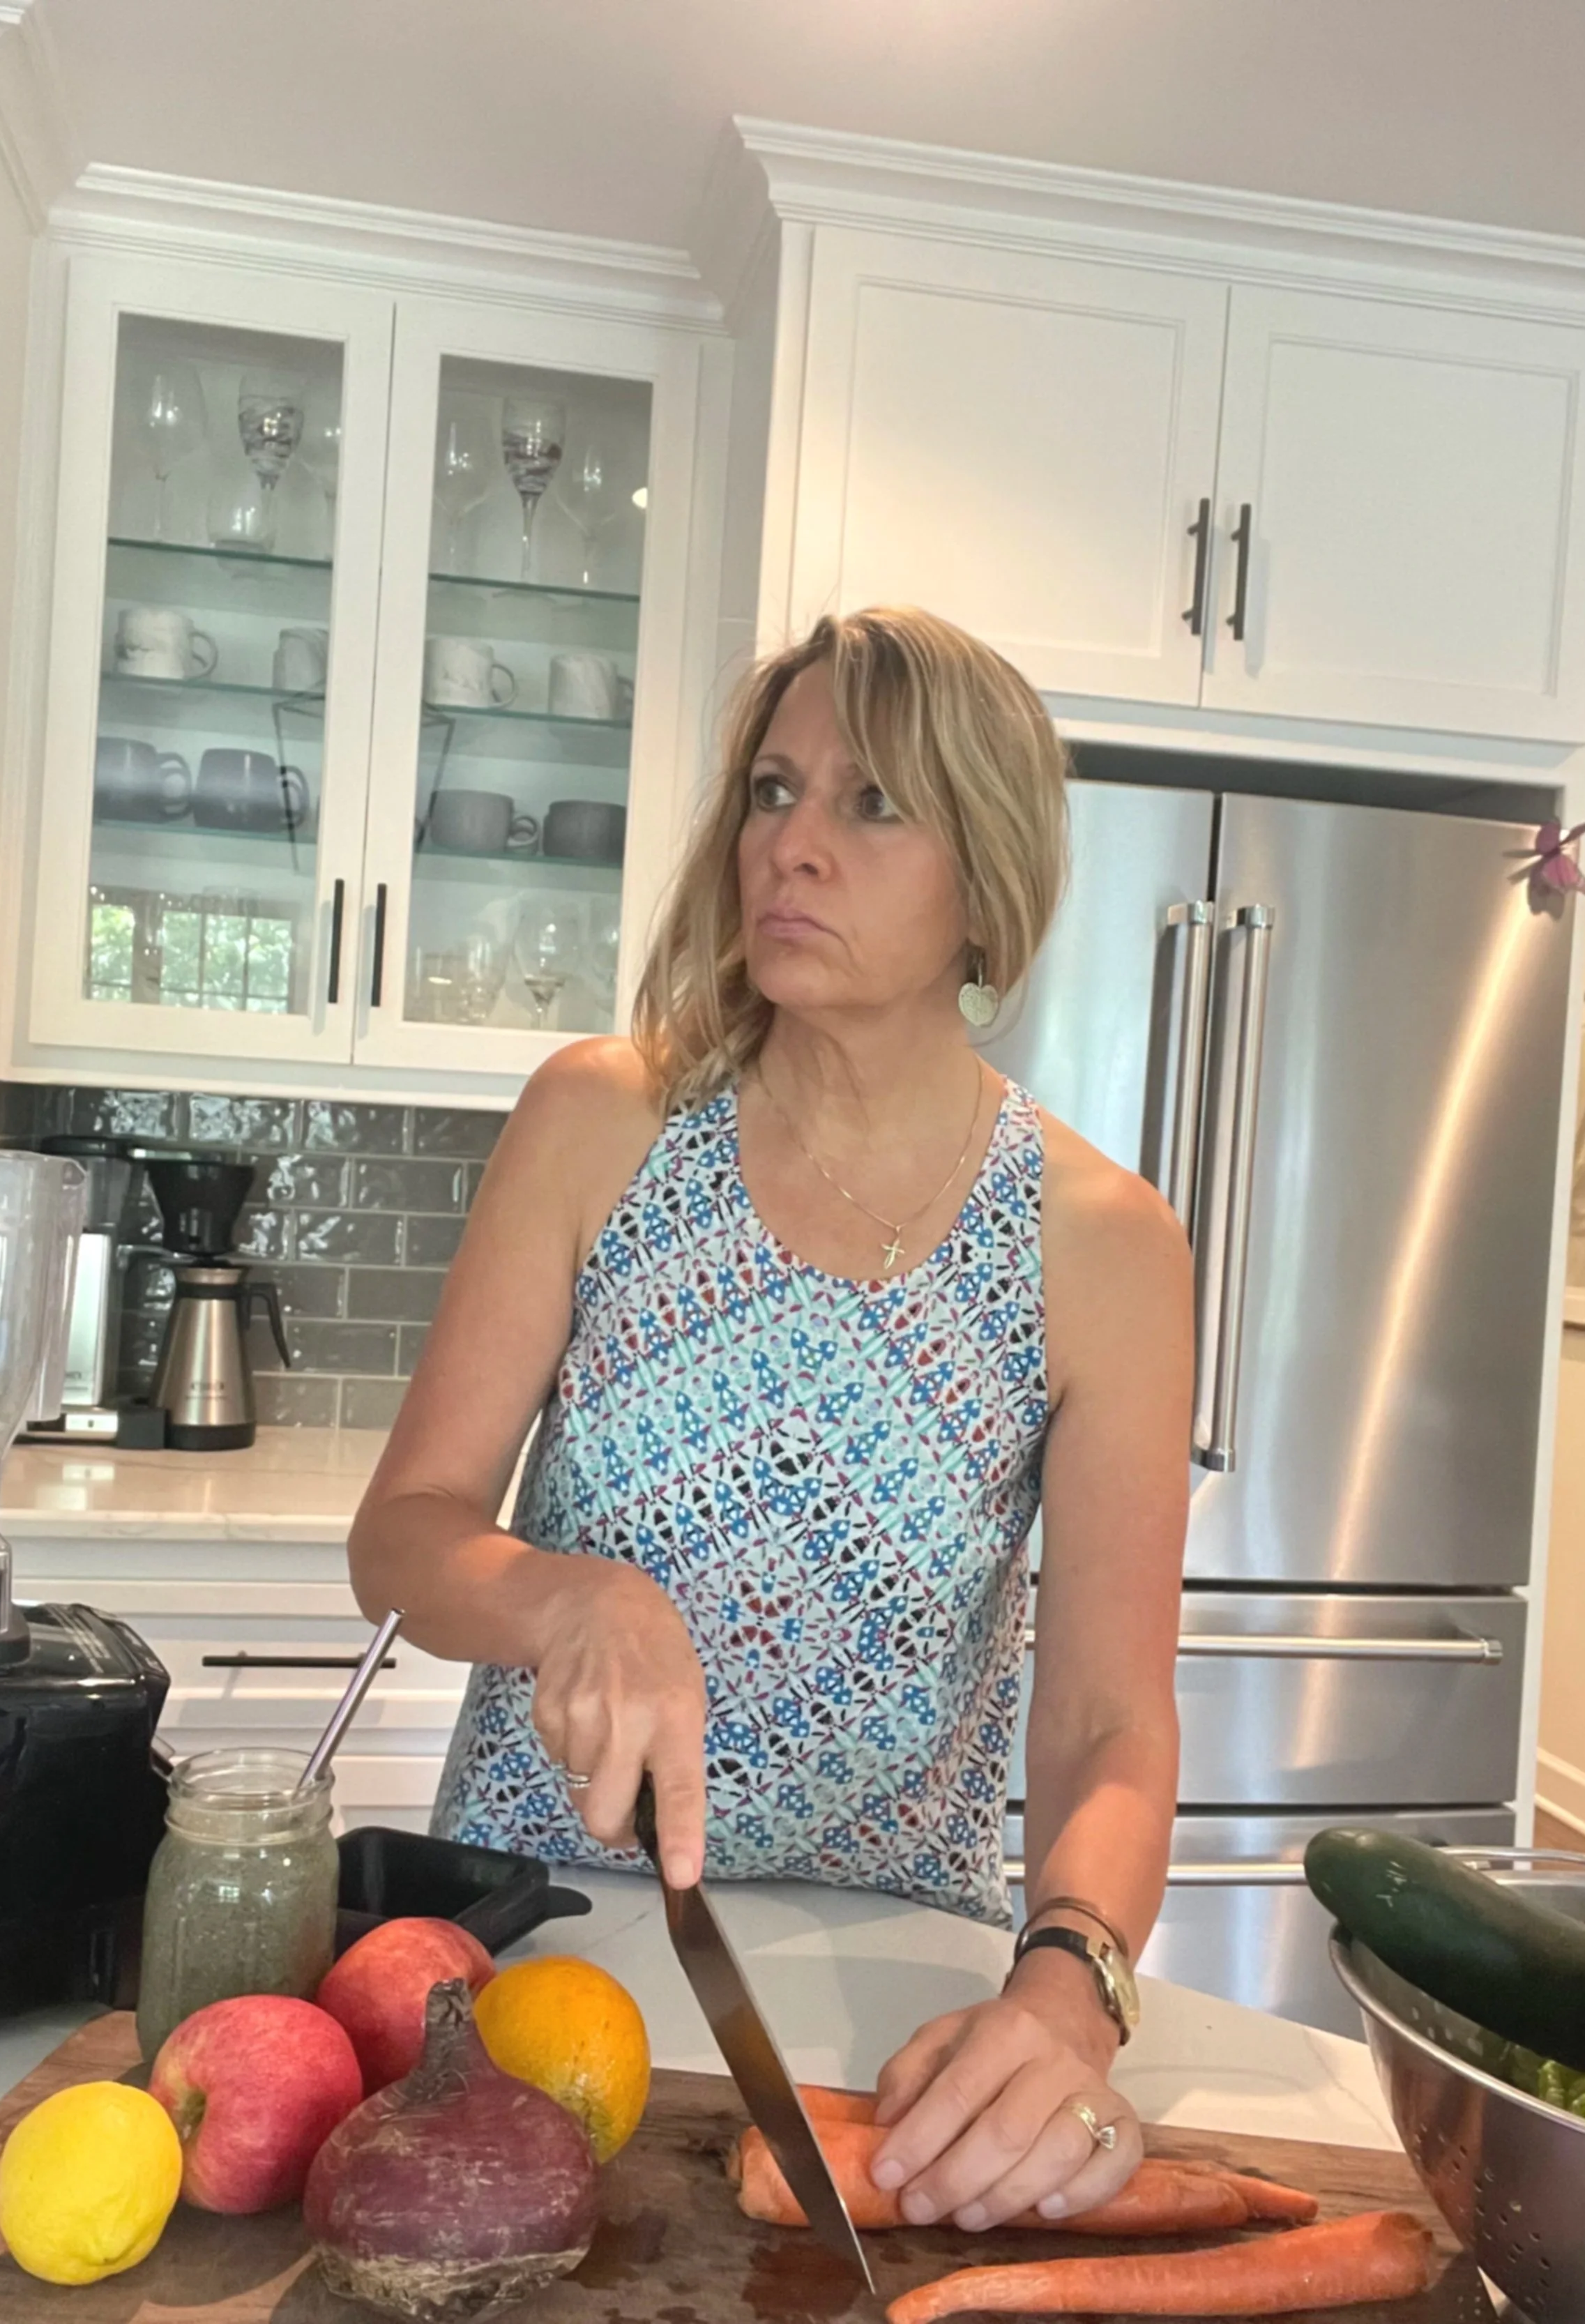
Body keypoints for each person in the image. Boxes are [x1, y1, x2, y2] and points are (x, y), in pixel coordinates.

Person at [349, 606, 1192, 2233]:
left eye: (871, 804)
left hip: (894, 1973)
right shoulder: (603, 1121)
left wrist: (1070, 1985)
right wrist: (569, 1593)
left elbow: (1105, 1725)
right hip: (536, 1937)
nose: (790, 845)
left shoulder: (1103, 1249)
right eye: (771, 790)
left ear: (986, 882)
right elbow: (404, 1536)